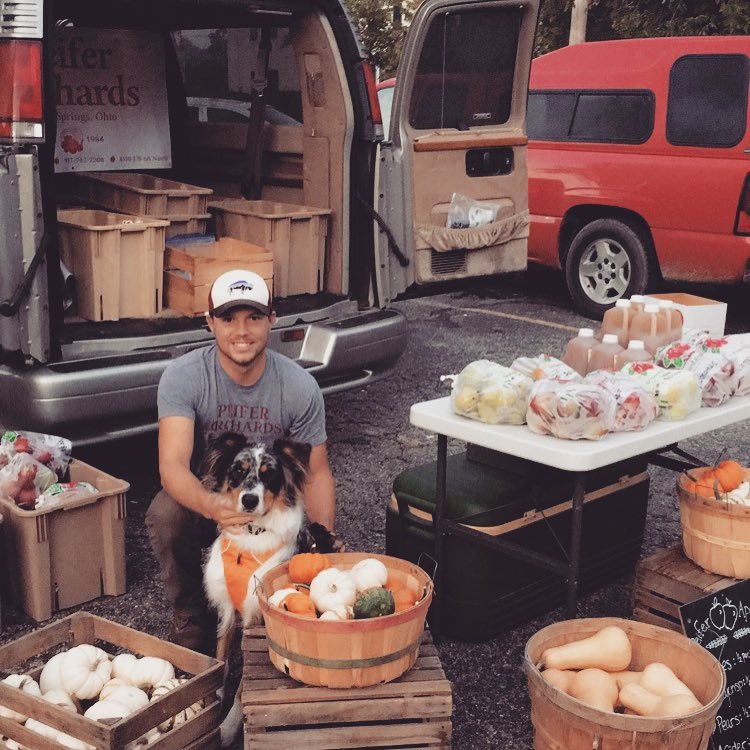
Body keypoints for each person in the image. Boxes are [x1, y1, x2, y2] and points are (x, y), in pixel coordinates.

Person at [146, 268, 337, 654]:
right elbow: (172, 466)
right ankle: (192, 616)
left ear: (272, 319)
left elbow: (315, 474)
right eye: (228, 318)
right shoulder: (184, 377)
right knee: (165, 513)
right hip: (211, 502)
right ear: (209, 322)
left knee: (300, 561)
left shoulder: (299, 386)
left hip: (271, 511)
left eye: (253, 317)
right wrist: (214, 506)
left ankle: (273, 616)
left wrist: (322, 545)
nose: (242, 331)